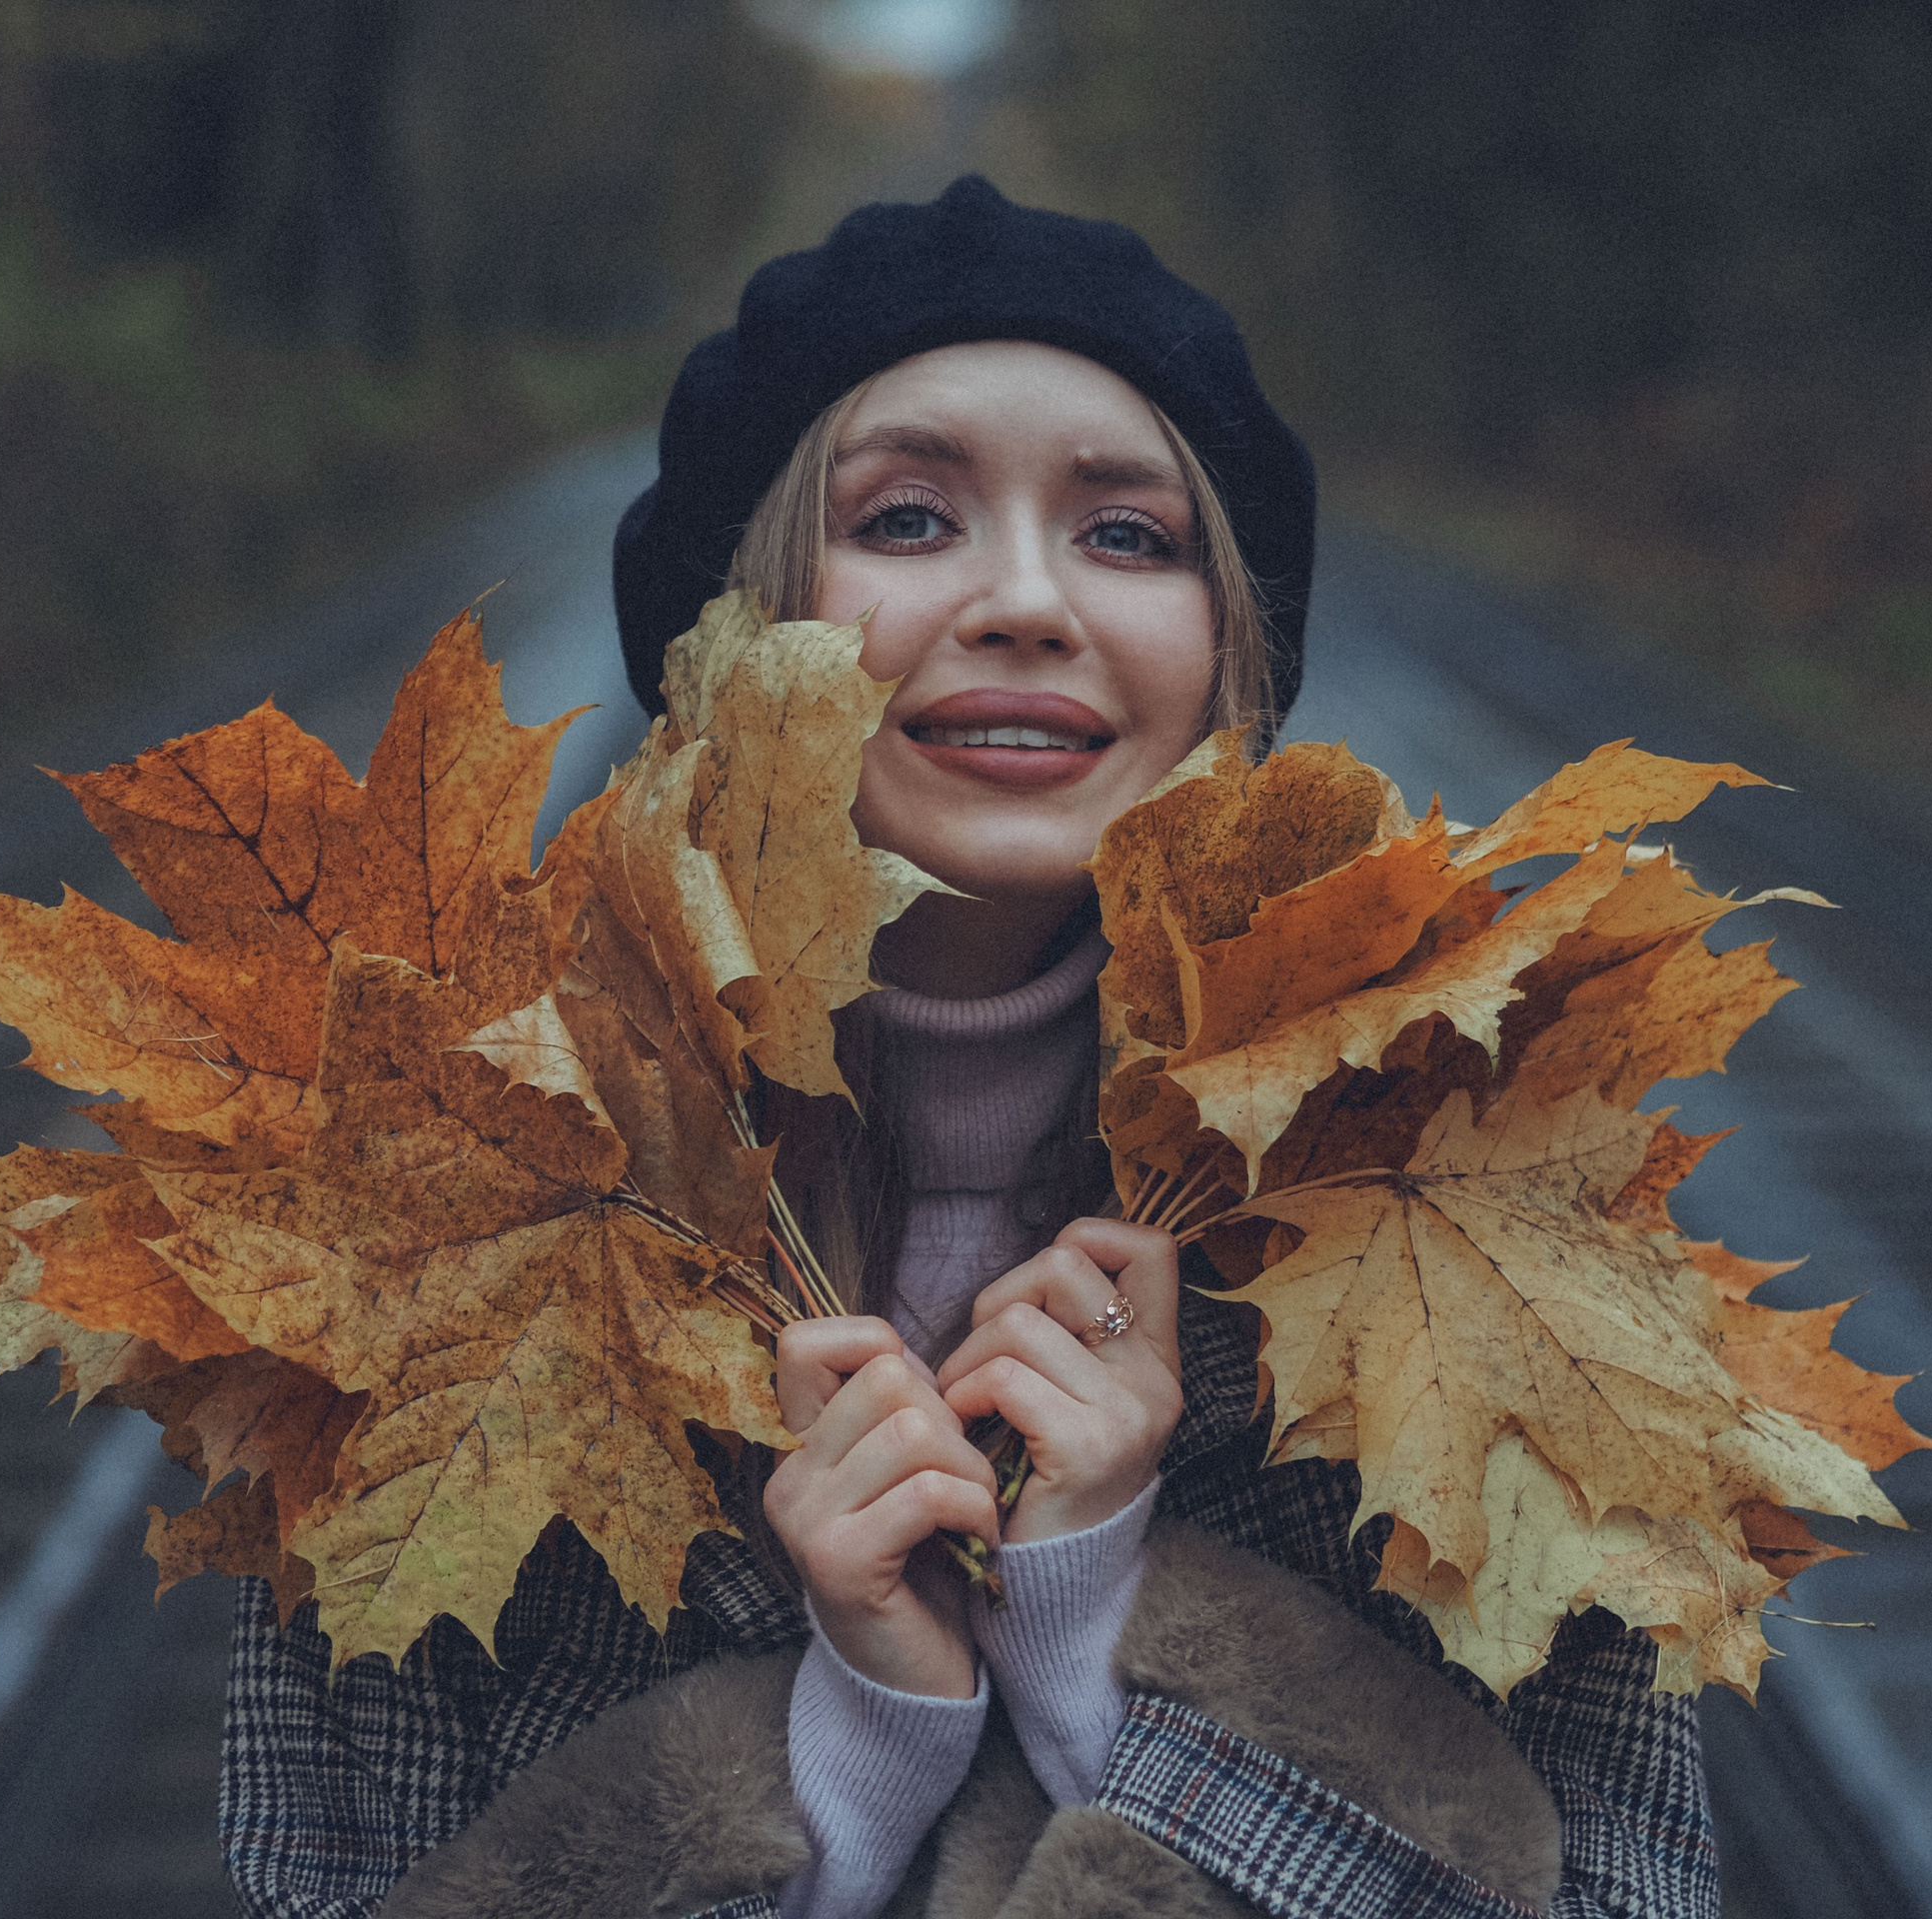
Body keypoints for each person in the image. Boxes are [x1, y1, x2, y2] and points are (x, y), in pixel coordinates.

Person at [221, 179, 1715, 1919]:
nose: (1025, 600)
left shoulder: (1474, 1170)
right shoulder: (446, 1189)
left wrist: (1088, 1636)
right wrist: (850, 1763)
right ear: (734, 637)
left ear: (1229, 649)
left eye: (1131, 535)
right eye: (910, 519)